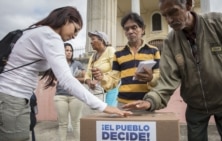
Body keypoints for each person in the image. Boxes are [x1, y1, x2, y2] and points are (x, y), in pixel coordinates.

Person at [122, 0, 222, 141]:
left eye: (173, 12)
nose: (170, 20)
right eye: (165, 15)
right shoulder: (171, 41)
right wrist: (150, 101)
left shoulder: (218, 23)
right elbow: (167, 80)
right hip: (195, 108)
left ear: (189, 5)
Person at [0, 6, 132, 141]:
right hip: (12, 98)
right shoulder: (50, 36)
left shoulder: (41, 32)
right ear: (67, 20)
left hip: (13, 98)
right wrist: (104, 107)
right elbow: (67, 80)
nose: (74, 36)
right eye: (75, 29)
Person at [91, 12, 161, 109]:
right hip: (123, 104)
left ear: (143, 29)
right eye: (127, 29)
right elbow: (114, 80)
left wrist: (151, 78)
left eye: (134, 27)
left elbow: (159, 76)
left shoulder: (153, 51)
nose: (130, 31)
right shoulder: (118, 54)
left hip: (146, 103)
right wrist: (102, 77)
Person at [54, 43, 85, 141]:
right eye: (66, 50)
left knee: (76, 123)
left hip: (75, 96)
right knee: (62, 124)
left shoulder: (77, 64)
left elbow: (84, 78)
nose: (69, 52)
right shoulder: (57, 64)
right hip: (60, 96)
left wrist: (72, 79)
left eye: (70, 51)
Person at [85, 31, 119, 107]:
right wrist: (89, 82)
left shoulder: (110, 50)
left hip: (111, 88)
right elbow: (87, 74)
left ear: (102, 40)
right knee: (100, 114)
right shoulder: (93, 56)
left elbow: (116, 70)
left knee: (109, 114)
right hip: (98, 91)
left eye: (93, 39)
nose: (91, 42)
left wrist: (100, 78)